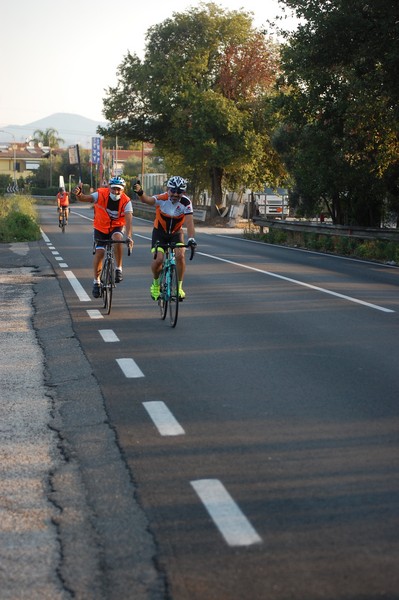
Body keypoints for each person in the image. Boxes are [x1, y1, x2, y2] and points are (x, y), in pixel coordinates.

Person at [134, 176, 197, 301]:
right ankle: (156, 284)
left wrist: (191, 238)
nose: (175, 194)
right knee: (159, 260)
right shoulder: (162, 198)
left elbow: (190, 223)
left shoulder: (186, 203)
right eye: (172, 190)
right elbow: (147, 200)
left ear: (183, 192)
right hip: (160, 233)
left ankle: (179, 288)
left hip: (176, 233)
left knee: (180, 256)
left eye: (179, 192)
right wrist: (141, 193)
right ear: (168, 189)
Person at [73, 176, 133, 298]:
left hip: (116, 227)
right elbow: (85, 198)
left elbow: (129, 220)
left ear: (122, 190)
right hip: (100, 228)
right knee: (100, 253)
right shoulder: (100, 194)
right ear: (109, 188)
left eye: (118, 189)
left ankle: (118, 268)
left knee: (117, 239)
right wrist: (79, 194)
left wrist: (129, 237)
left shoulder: (126, 201)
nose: (115, 192)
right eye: (113, 189)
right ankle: (96, 282)